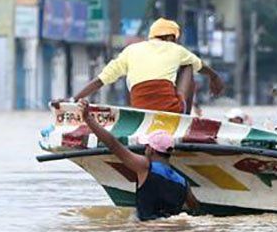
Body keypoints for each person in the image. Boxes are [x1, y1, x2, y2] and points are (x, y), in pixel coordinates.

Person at [72, 18, 224, 112]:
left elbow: (100, 80)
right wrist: (215, 77)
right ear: (171, 37)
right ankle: (185, 118)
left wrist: (73, 99)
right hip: (170, 110)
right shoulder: (175, 48)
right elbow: (200, 65)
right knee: (188, 65)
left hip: (140, 108)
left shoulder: (131, 50)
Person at [79, 100, 194, 221]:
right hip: (169, 229)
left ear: (151, 150)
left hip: (146, 231)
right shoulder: (184, 183)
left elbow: (113, 145)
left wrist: (88, 118)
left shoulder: (145, 166)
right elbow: (194, 207)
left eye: (146, 147)